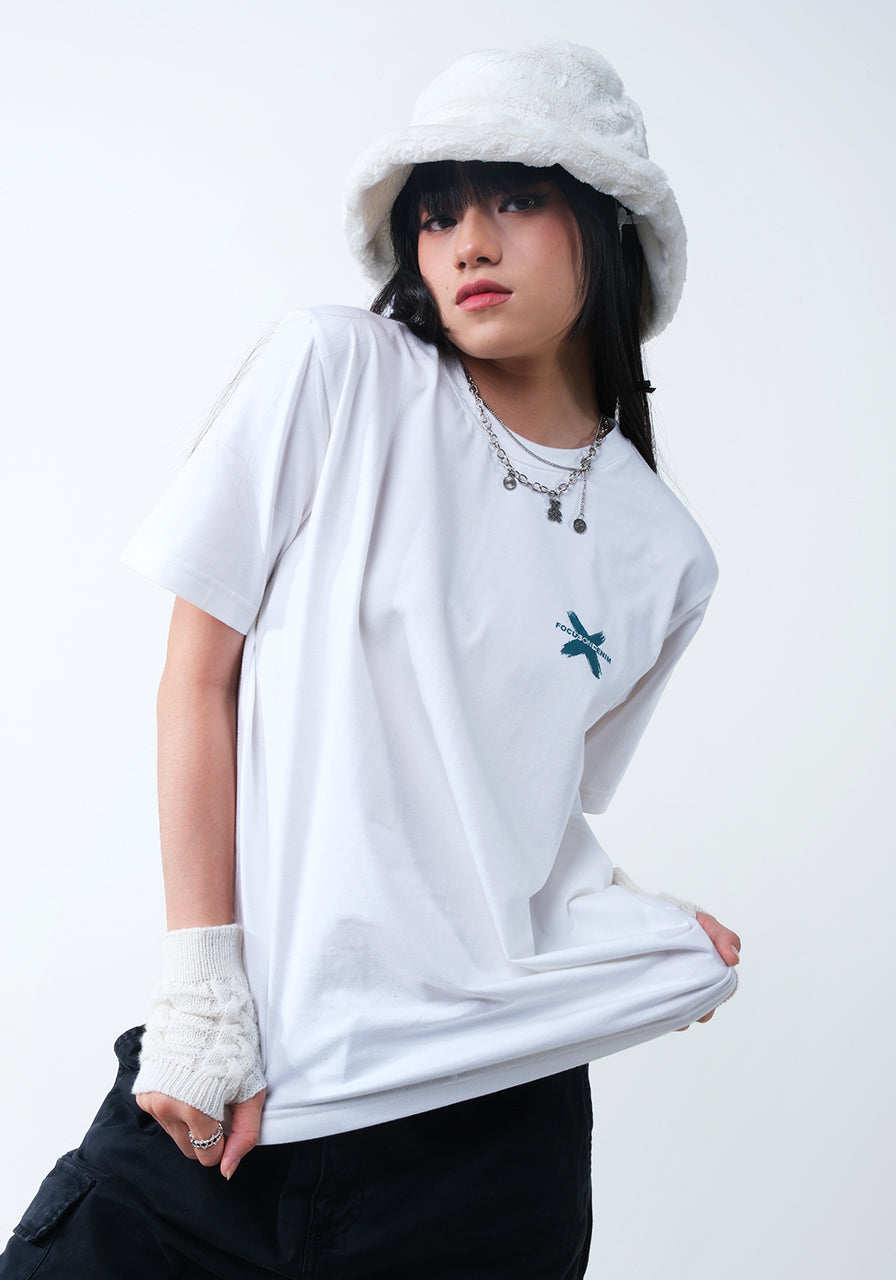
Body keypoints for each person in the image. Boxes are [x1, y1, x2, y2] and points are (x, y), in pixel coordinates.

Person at [1, 40, 740, 1280]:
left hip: (484, 1147)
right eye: (437, 212)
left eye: (515, 198)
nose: (467, 243)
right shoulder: (336, 373)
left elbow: (508, 822)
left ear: (607, 223)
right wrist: (200, 992)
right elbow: (197, 677)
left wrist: (636, 937)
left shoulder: (664, 554)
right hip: (236, 1094)